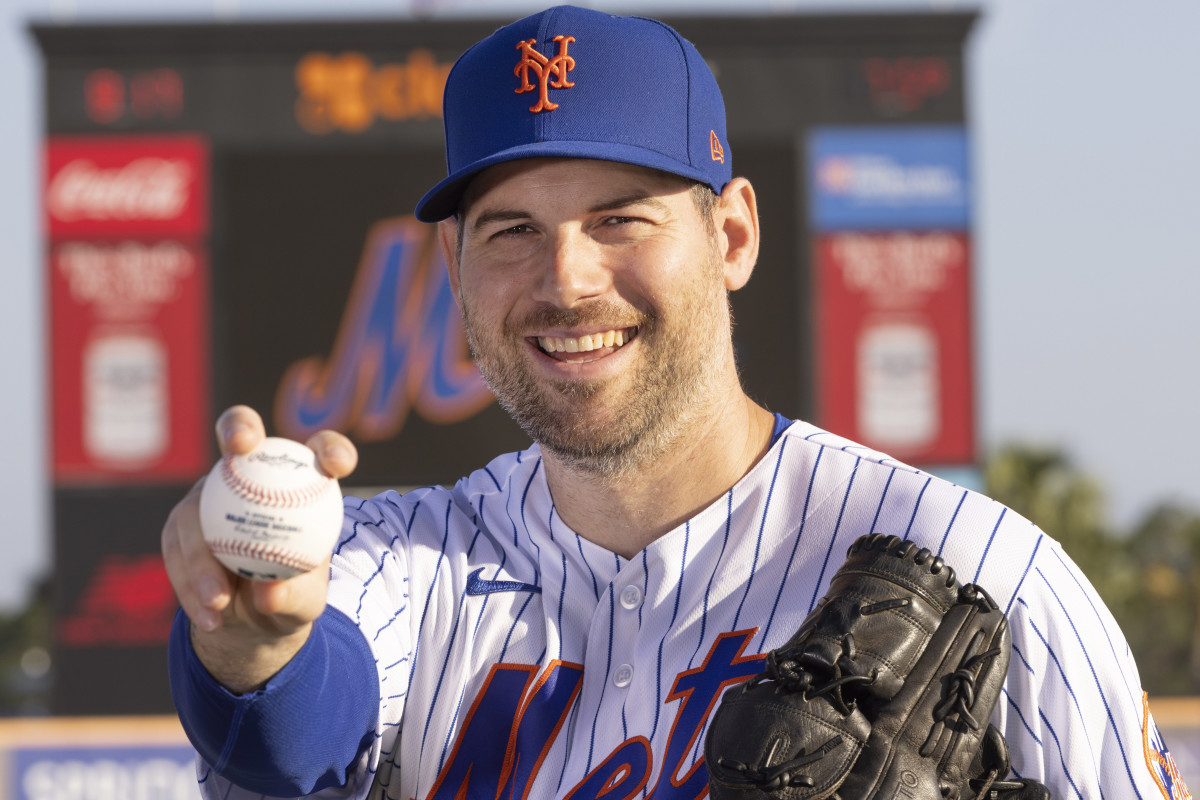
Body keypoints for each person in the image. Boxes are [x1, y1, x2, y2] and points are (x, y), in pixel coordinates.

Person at [163, 6, 1190, 800]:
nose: (566, 279)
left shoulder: (986, 573)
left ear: (733, 236)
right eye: (512, 228)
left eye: (621, 217)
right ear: (454, 263)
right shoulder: (403, 559)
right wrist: (250, 643)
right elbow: (295, 729)